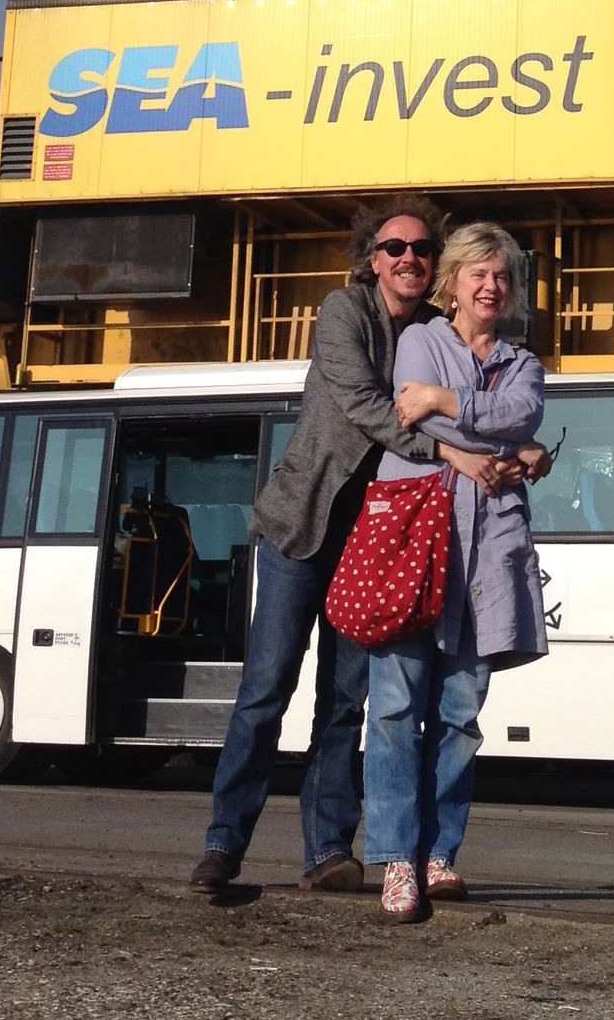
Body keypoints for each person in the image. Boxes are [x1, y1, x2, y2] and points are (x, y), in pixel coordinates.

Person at [189, 197, 535, 893]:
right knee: (266, 690)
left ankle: (326, 853)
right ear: (372, 259)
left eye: (423, 250)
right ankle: (223, 844)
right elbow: (370, 409)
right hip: (304, 526)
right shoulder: (343, 313)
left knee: (347, 704)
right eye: (395, 248)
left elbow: (494, 412)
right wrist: (453, 452)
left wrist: (521, 449)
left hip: (377, 543)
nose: (410, 257)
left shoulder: (440, 333)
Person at [363, 221, 549, 920]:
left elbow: (521, 409)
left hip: (486, 558)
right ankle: (396, 862)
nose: (490, 285)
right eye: (477, 272)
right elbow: (412, 415)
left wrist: (446, 403)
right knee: (394, 708)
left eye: (501, 275)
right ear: (454, 282)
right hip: (416, 540)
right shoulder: (420, 340)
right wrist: (497, 443)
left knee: (461, 717)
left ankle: (441, 856)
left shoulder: (523, 362)